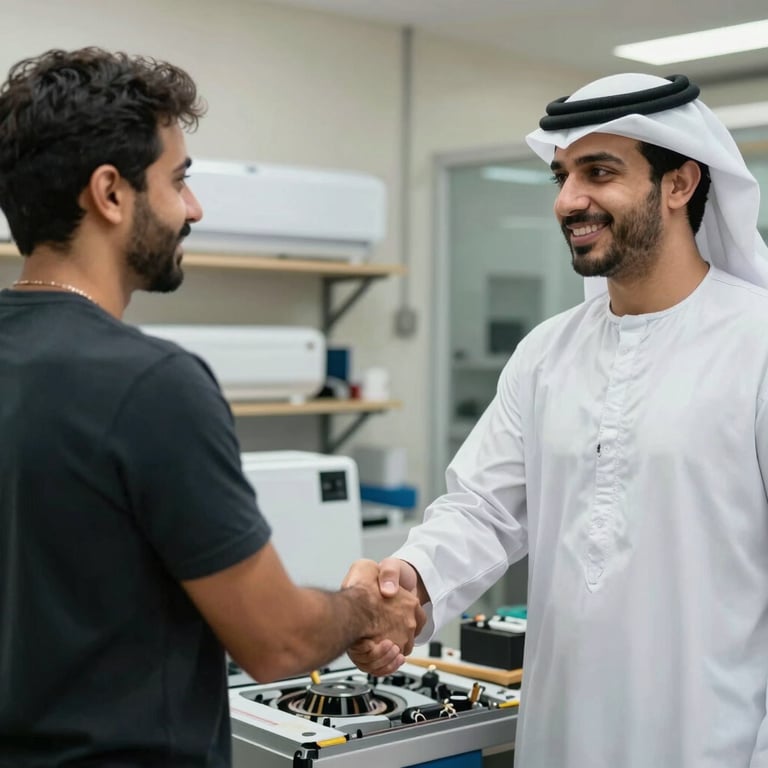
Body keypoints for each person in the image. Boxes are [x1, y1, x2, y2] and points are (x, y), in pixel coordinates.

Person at [0, 47, 424, 767]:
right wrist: (366, 608)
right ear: (110, 193)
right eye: (178, 180)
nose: (193, 208)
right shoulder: (152, 384)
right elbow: (278, 641)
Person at [346, 72, 768, 767]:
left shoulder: (755, 342)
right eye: (562, 176)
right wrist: (407, 587)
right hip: (561, 737)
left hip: (712, 744)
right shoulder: (547, 353)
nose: (571, 200)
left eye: (599, 172)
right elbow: (482, 510)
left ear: (680, 184)